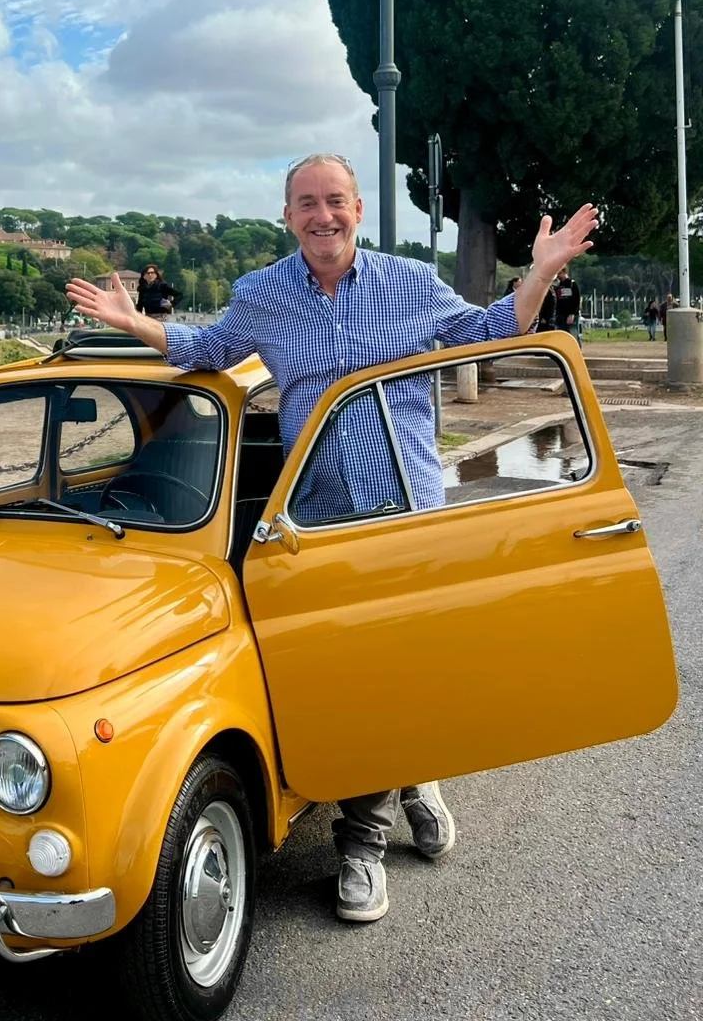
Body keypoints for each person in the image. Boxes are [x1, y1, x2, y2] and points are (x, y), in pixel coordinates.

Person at [66, 153, 597, 926]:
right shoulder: (262, 295)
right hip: (317, 524)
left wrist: (540, 273)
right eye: (308, 203)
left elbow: (493, 330)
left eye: (336, 200)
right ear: (288, 217)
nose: (324, 216)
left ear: (358, 209)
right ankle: (391, 803)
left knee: (408, 672)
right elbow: (205, 350)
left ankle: (376, 825)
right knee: (357, 683)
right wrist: (133, 323)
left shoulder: (409, 283)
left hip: (406, 517)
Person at [551, 266, 582, 344]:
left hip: (571, 316)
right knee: (560, 336)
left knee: (573, 335)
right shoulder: (558, 286)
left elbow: (576, 300)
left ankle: (576, 349)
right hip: (560, 315)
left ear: (565, 272)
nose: (558, 276)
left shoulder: (572, 284)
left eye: (560, 273)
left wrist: (572, 313)